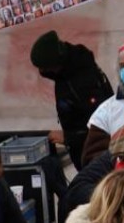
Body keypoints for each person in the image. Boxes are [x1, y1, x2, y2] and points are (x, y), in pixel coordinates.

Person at [30, 30, 114, 166]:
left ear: (56, 64)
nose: (43, 73)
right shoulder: (67, 74)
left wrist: (68, 137)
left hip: (95, 154)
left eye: (46, 69)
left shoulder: (83, 81)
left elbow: (100, 125)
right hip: (83, 151)